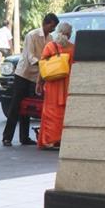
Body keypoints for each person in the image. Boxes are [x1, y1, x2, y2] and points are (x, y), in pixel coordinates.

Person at [2, 12, 59, 146]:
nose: (53, 29)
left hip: (36, 76)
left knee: (27, 107)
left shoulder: (50, 38)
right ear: (46, 23)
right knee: (16, 106)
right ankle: (7, 137)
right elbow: (30, 57)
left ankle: (24, 137)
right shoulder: (32, 35)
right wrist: (44, 63)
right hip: (24, 74)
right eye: (52, 26)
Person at [37, 21, 75, 150]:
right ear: (69, 34)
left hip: (52, 84)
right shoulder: (72, 48)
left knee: (50, 113)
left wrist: (39, 82)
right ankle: (61, 139)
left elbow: (42, 67)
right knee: (63, 113)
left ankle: (49, 140)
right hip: (66, 84)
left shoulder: (50, 46)